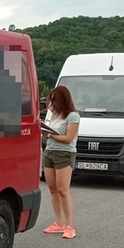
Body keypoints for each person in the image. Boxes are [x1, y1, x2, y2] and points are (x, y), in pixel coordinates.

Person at [41, 85, 81, 239]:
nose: (51, 105)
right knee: (52, 188)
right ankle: (58, 223)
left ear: (61, 101)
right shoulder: (53, 115)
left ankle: (70, 226)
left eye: (53, 101)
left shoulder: (73, 116)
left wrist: (49, 135)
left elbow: (68, 138)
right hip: (49, 152)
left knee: (63, 189)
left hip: (64, 153)